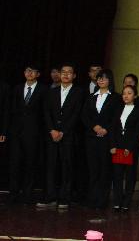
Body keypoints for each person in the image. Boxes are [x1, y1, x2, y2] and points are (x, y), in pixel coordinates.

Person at [35, 64, 84, 209]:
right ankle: (49, 196)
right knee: (50, 166)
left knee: (67, 166)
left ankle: (65, 197)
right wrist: (52, 130)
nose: (66, 74)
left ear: (74, 76)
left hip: (68, 135)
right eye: (63, 72)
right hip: (52, 134)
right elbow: (46, 112)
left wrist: (63, 131)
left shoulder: (79, 92)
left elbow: (77, 114)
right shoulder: (52, 92)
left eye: (69, 72)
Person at [82, 69, 122, 210]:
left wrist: (106, 129)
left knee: (105, 170)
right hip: (91, 138)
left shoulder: (116, 97)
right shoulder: (91, 97)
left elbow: (117, 117)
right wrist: (94, 126)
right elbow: (84, 116)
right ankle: (92, 199)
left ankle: (102, 201)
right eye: (99, 78)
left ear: (110, 80)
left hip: (107, 139)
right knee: (93, 169)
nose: (101, 80)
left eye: (104, 78)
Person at [110, 84, 139, 211]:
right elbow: (113, 128)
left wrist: (130, 147)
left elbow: (138, 131)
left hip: (130, 148)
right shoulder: (118, 109)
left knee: (130, 176)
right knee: (117, 175)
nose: (126, 96)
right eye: (124, 93)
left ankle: (126, 202)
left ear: (135, 96)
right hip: (117, 147)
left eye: (129, 93)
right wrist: (112, 145)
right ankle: (117, 201)